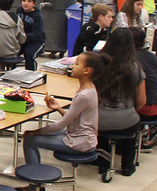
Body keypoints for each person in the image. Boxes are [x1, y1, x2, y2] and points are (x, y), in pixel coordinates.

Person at [21, 52, 101, 181]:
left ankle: (34, 185)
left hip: (80, 142)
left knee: (30, 140)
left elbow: (60, 125)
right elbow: (73, 119)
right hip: (80, 136)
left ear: (87, 70)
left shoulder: (84, 95)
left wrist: (34, 132)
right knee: (43, 133)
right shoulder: (88, 89)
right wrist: (58, 108)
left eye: (77, 64)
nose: (73, 66)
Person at [95, 29, 146, 176]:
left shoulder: (98, 63)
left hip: (99, 120)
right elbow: (142, 100)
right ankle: (127, 166)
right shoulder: (134, 67)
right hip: (125, 120)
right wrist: (129, 109)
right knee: (133, 127)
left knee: (102, 133)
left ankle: (103, 163)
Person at [129, 27, 157, 149]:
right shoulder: (152, 56)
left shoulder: (131, 58)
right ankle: (149, 134)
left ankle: (141, 141)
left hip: (145, 106)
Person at [17, 0, 46, 71]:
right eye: (24, 1)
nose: (26, 3)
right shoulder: (19, 11)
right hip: (22, 40)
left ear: (34, 4)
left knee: (28, 54)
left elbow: (38, 34)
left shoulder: (37, 16)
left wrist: (24, 36)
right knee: (10, 51)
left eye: (29, 1)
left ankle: (31, 73)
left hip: (36, 41)